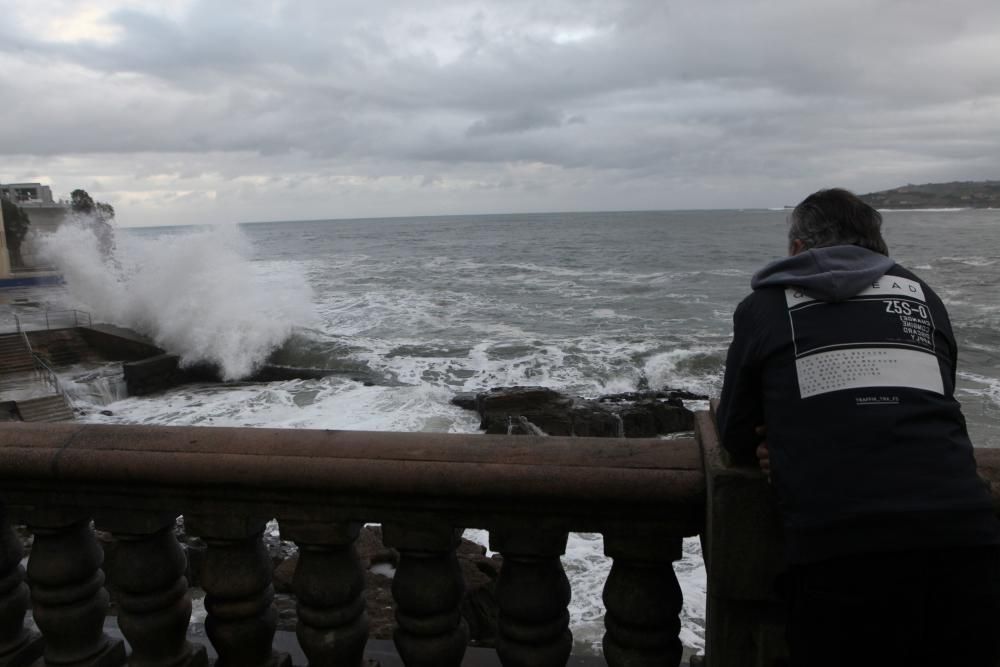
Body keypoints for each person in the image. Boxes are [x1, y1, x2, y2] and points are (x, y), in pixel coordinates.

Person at [716, 188, 1000, 666]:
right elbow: (933, 396)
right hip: (967, 536)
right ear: (878, 246)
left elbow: (736, 435)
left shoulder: (764, 306)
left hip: (841, 546)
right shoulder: (922, 295)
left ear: (798, 249)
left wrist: (785, 438)